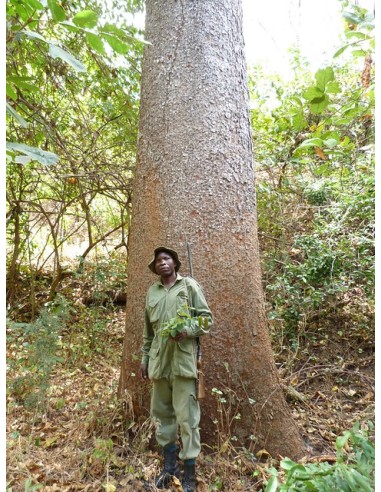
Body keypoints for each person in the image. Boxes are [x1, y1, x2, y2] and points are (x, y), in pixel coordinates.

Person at [140, 246, 213, 492]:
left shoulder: (189, 286)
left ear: (174, 263)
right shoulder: (152, 292)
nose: (162, 263)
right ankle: (169, 468)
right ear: (155, 267)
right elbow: (148, 333)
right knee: (162, 416)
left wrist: (187, 330)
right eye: (158, 260)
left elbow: (206, 319)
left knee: (188, 419)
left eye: (166, 258)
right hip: (159, 365)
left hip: (183, 364)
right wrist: (144, 359)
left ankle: (189, 472)